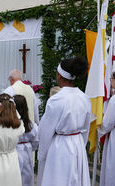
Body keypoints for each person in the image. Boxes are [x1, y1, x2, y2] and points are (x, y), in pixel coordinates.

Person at [37, 56, 91, 186]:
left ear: (59, 76)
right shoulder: (84, 97)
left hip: (61, 146)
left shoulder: (57, 99)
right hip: (77, 143)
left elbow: (45, 131)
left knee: (59, 179)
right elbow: (86, 127)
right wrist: (80, 146)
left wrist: (42, 155)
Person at [14, 95, 38, 186]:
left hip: (14, 151)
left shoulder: (9, 124)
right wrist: (29, 147)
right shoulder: (31, 125)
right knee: (26, 177)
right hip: (26, 151)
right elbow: (35, 141)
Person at [98, 72, 115, 186]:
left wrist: (97, 129)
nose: (110, 81)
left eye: (111, 78)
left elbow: (107, 123)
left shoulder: (114, 100)